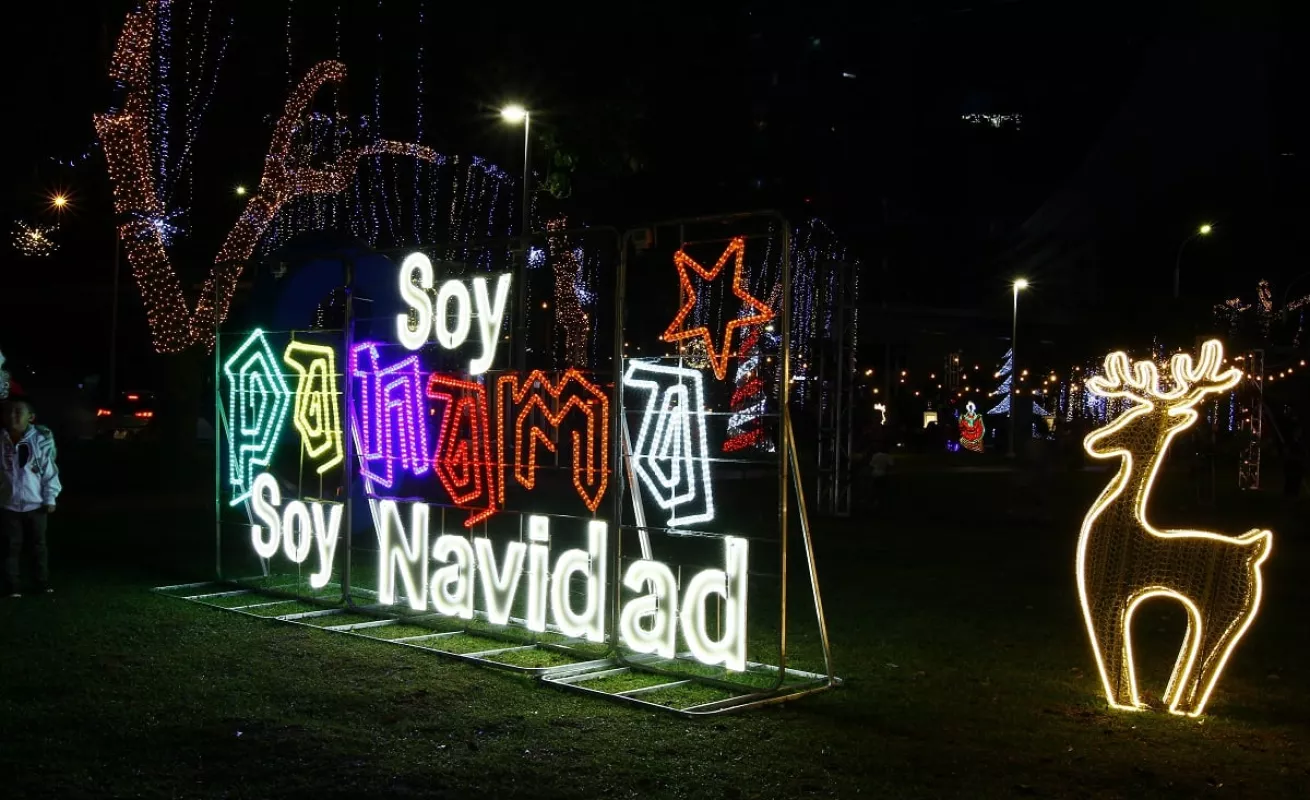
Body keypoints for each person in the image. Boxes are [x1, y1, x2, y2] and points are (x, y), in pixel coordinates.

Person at [1, 397, 61, 597]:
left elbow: (49, 471)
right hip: (8, 504)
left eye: (18, 412)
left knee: (38, 545)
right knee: (10, 546)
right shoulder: (2, 440)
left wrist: (49, 498)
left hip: (35, 504)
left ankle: (41, 582)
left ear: (31, 417)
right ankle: (11, 585)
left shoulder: (41, 439)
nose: (12, 416)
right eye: (9, 412)